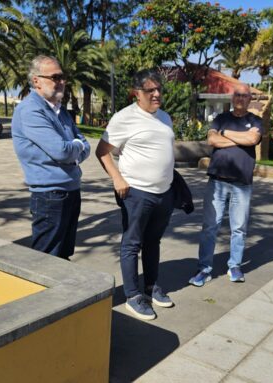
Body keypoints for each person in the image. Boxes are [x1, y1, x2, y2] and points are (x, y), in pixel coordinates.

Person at [95, 69, 175, 321]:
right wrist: (117, 178)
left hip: (164, 193)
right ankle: (132, 296)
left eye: (159, 89)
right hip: (136, 193)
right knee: (132, 244)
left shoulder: (165, 117)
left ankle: (151, 287)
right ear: (136, 94)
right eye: (150, 90)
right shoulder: (124, 117)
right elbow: (102, 151)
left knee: (153, 242)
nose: (157, 94)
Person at [12, 55, 90, 260]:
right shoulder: (30, 110)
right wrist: (74, 149)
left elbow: (85, 145)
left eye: (62, 77)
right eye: (55, 77)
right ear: (36, 80)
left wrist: (73, 149)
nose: (61, 82)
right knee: (46, 259)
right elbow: (61, 151)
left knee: (64, 255)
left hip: (71, 190)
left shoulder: (61, 111)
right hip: (50, 196)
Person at [189, 83, 263, 287]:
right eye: (237, 94)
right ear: (233, 97)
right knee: (209, 227)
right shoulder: (221, 118)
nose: (240, 98)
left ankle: (235, 266)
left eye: (244, 95)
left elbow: (253, 139)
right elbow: (212, 140)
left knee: (239, 227)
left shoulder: (255, 120)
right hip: (217, 181)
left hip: (242, 183)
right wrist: (240, 138)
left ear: (249, 99)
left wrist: (226, 134)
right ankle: (204, 268)